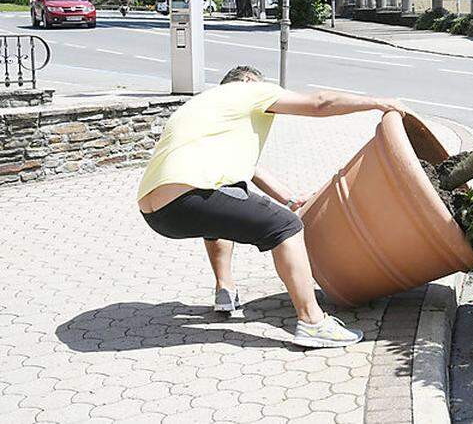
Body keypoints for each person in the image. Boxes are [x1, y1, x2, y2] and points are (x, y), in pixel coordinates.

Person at [136, 65, 411, 348]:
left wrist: (289, 199)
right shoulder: (250, 91)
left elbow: (249, 169)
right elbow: (319, 103)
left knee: (227, 204)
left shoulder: (204, 106)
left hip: (156, 212)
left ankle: (225, 288)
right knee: (286, 227)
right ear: (248, 82)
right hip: (191, 194)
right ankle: (312, 322)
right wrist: (379, 102)